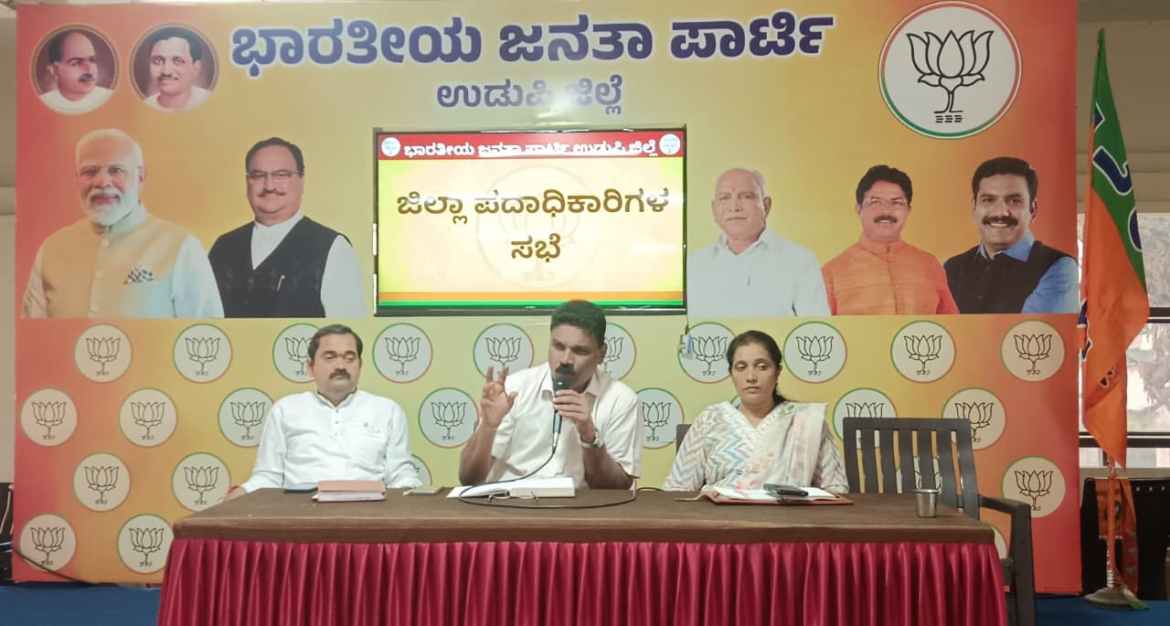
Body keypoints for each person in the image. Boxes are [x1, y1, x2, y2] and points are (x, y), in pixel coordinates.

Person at [22, 129, 223, 318]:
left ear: (141, 176)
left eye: (116, 170)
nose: (102, 182)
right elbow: (32, 335)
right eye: (90, 171)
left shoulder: (181, 246)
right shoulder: (52, 248)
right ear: (76, 178)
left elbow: (207, 334)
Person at [458, 300, 641, 489]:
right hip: (513, 503)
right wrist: (488, 427)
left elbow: (618, 487)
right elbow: (470, 479)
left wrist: (589, 437)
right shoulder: (514, 389)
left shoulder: (621, 400)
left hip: (582, 506)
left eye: (580, 351)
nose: (566, 359)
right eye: (559, 346)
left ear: (601, 354)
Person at [227, 324, 420, 498]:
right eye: (330, 357)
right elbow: (269, 476)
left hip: (369, 512)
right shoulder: (285, 409)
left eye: (349, 358)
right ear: (310, 367)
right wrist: (239, 495)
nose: (341, 366)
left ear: (360, 366)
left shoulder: (387, 410)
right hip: (299, 513)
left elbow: (401, 474)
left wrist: (417, 498)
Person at [664, 330, 848, 493]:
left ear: (777, 372)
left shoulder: (805, 422)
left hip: (789, 518)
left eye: (762, 367)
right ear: (731, 373)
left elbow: (836, 488)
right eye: (741, 367)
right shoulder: (711, 419)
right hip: (722, 518)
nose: (751, 377)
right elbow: (677, 488)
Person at [208, 137, 366, 317]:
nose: (269, 186)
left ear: (301, 180)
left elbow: (348, 328)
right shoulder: (224, 247)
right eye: (258, 175)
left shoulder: (332, 247)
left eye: (281, 175)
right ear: (247, 182)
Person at [687, 168, 829, 318]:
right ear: (713, 209)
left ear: (766, 206)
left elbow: (815, 329)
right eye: (724, 198)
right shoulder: (694, 265)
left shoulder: (800, 261)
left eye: (746, 196)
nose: (734, 207)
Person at [944, 157, 1078, 313]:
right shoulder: (951, 268)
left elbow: (1032, 326)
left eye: (1014, 201)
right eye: (988, 200)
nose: (1000, 212)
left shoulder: (1059, 268)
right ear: (974, 207)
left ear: (1033, 209)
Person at [821, 165, 958, 315]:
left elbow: (952, 326)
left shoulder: (929, 265)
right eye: (875, 202)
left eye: (897, 202)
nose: (886, 210)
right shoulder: (831, 273)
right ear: (858, 209)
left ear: (908, 210)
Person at [38, 29, 113, 114]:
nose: (89, 69)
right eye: (76, 63)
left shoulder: (111, 99)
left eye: (92, 60)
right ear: (55, 70)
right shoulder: (41, 103)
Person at [142, 27, 211, 112]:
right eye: (157, 61)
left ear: (196, 68)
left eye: (177, 61)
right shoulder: (142, 107)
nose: (166, 71)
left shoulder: (211, 102)